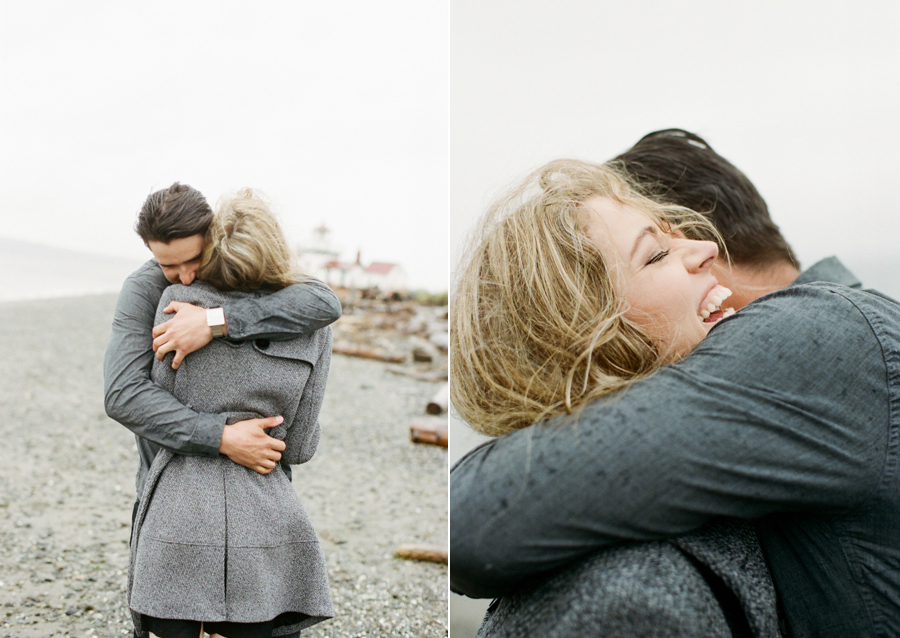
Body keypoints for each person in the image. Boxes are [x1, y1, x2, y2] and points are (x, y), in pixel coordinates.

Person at [450, 137, 900, 637]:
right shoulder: (623, 589)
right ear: (587, 328)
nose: (705, 249)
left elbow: (470, 519)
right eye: (658, 251)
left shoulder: (818, 339)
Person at [128, 189, 333, 637]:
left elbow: (157, 411)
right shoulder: (313, 330)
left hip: (177, 503)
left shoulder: (176, 306)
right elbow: (297, 448)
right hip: (264, 508)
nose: (182, 274)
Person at [104, 182, 341, 505]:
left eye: (194, 259)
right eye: (168, 266)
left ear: (212, 235)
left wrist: (215, 322)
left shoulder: (239, 265)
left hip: (261, 484)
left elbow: (323, 303)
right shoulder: (143, 288)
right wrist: (222, 437)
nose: (185, 277)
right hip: (166, 479)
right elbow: (123, 395)